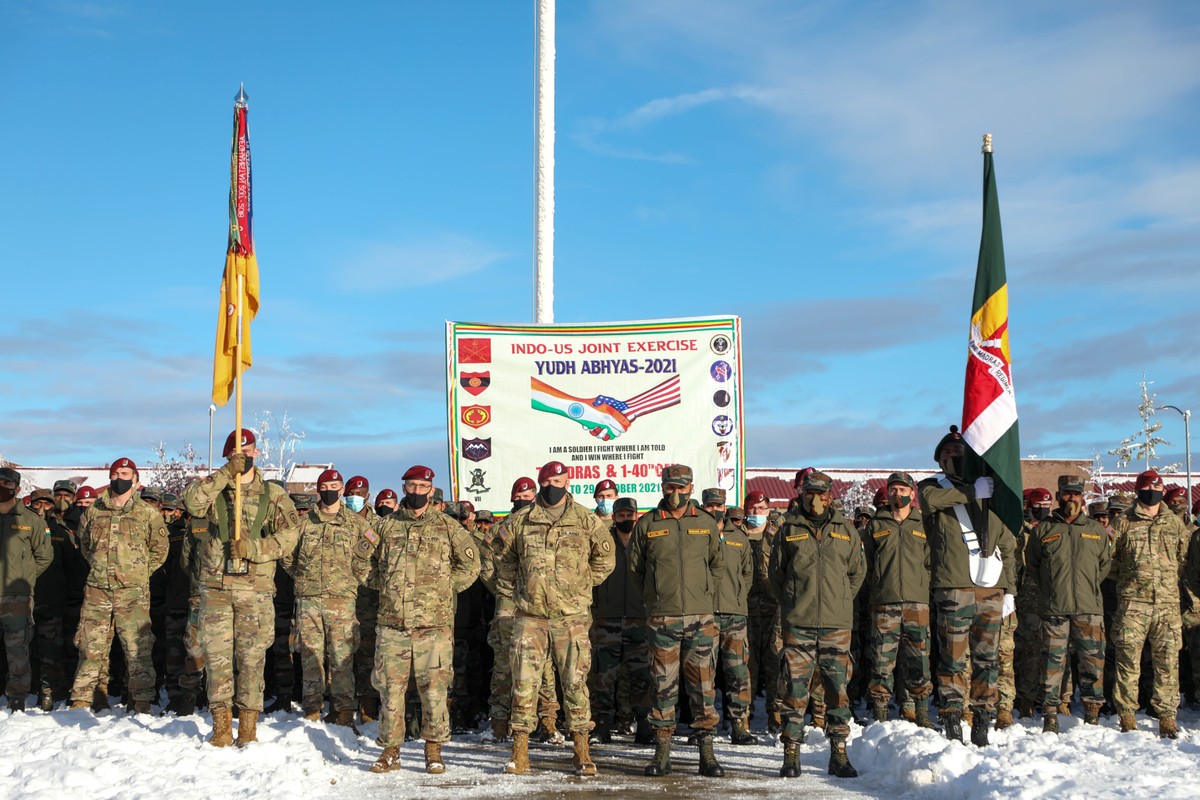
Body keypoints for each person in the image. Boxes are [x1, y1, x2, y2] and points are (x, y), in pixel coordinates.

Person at [182, 429, 301, 746]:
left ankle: (248, 729)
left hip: (255, 591)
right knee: (217, 660)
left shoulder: (273, 495)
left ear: (257, 452)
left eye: (246, 449)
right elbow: (193, 503)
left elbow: (289, 538)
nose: (241, 455)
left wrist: (254, 550)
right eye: (235, 452)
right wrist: (224, 474)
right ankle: (221, 728)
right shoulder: (216, 489)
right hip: (216, 589)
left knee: (251, 661)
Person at [496, 461, 614, 776]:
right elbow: (502, 559)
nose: (553, 484)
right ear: (540, 482)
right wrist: (519, 589)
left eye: (559, 479)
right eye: (548, 480)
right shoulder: (520, 520)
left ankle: (582, 752)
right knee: (523, 683)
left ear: (567, 481)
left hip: (571, 617)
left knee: (575, 683)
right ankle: (519, 753)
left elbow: (605, 558)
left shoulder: (587, 520)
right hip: (530, 617)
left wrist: (580, 587)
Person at [368, 465, 479, 775]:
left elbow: (471, 565)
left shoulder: (448, 527)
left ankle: (433, 750)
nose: (416, 491)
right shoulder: (385, 526)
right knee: (390, 690)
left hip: (434, 626)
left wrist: (445, 588)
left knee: (435, 690)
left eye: (422, 486)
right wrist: (386, 586)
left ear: (432, 489)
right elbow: (361, 562)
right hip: (393, 624)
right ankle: (391, 751)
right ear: (404, 488)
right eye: (411, 486)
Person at [917, 426, 1017, 746]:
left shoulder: (991, 493)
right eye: (949, 456)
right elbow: (932, 500)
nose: (956, 460)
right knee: (952, 658)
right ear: (940, 461)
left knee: (988, 659)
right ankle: (951, 717)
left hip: (991, 587)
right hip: (954, 586)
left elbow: (1008, 545)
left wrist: (1010, 589)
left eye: (961, 455)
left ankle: (983, 718)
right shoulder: (934, 487)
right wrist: (973, 491)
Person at [628, 464, 726, 778]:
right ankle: (662, 752)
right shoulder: (648, 524)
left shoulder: (707, 523)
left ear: (691, 487)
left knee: (703, 686)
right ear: (662, 487)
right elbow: (636, 569)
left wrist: (703, 597)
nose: (675, 493)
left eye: (681, 487)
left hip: (700, 617)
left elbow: (717, 565)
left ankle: (707, 754)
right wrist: (656, 597)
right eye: (670, 487)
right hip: (663, 617)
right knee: (662, 685)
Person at [769, 471, 865, 779]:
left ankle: (839, 753)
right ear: (801, 494)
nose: (814, 499)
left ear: (830, 496)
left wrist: (838, 599)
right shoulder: (788, 530)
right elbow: (776, 576)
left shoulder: (847, 531)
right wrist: (795, 601)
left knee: (837, 689)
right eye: (808, 493)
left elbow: (856, 574)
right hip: (799, 622)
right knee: (795, 688)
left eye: (820, 494)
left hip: (836, 624)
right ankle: (791, 753)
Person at [66, 458, 168, 715]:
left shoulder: (147, 513)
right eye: (115, 473)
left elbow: (160, 549)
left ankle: (141, 702)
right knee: (90, 646)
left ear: (135, 479)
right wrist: (101, 567)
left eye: (125, 473)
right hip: (98, 589)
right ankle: (83, 701)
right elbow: (85, 544)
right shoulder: (94, 511)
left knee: (137, 647)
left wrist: (137, 573)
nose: (119, 477)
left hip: (132, 592)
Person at [282, 469, 377, 728]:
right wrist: (303, 578)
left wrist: (351, 580)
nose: (330, 490)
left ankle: (343, 711)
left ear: (342, 488)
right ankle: (312, 709)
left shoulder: (358, 525)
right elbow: (288, 557)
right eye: (325, 485)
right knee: (310, 657)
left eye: (335, 485)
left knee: (341, 658)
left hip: (342, 601)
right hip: (309, 599)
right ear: (318, 489)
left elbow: (368, 558)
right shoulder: (303, 523)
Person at [1025, 475, 1111, 733]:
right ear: (1059, 494)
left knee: (1092, 663)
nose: (1071, 498)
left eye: (1076, 494)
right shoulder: (1045, 529)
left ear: (1082, 496)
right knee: (1052, 664)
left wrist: (1088, 587)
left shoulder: (1095, 530)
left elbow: (1104, 566)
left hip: (1089, 609)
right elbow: (1034, 565)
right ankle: (1050, 714)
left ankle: (1092, 713)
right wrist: (1053, 589)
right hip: (1055, 609)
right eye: (1066, 493)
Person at [1110, 469, 1191, 738]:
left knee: (1168, 661)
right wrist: (1131, 581)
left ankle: (1167, 716)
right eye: (1147, 487)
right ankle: (1127, 715)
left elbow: (1183, 559)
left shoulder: (1174, 523)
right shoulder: (1123, 522)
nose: (1153, 492)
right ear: (1138, 490)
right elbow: (1110, 562)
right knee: (1128, 661)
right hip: (1133, 604)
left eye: (1157, 487)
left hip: (1167, 604)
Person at [864, 472, 935, 728]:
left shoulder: (924, 523)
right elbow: (868, 565)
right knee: (882, 659)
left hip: (917, 603)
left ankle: (922, 714)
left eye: (903, 490)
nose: (898, 494)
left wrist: (921, 589)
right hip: (885, 603)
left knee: (919, 659)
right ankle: (881, 715)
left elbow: (930, 564)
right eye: (893, 490)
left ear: (912, 494)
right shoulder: (876, 524)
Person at [588, 497, 652, 744]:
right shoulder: (603, 541)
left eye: (630, 515)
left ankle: (644, 725)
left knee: (641, 676)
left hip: (639, 619)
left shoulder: (645, 542)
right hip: (606, 619)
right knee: (604, 676)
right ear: (614, 518)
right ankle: (602, 725)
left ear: (637, 516)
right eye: (622, 516)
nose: (627, 520)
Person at [1, 467, 53, 711]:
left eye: (7, 484)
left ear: (17, 489)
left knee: (18, 649)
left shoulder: (31, 519)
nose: (3, 487)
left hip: (17, 596)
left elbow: (44, 556)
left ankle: (17, 697)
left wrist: (25, 578)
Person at [709, 486, 756, 745]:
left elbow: (747, 574)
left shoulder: (738, 536)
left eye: (719, 505)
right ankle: (703, 725)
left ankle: (739, 723)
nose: (716, 510)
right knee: (703, 674)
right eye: (711, 505)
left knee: (737, 671)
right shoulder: (698, 532)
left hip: (734, 614)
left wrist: (738, 596)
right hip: (704, 612)